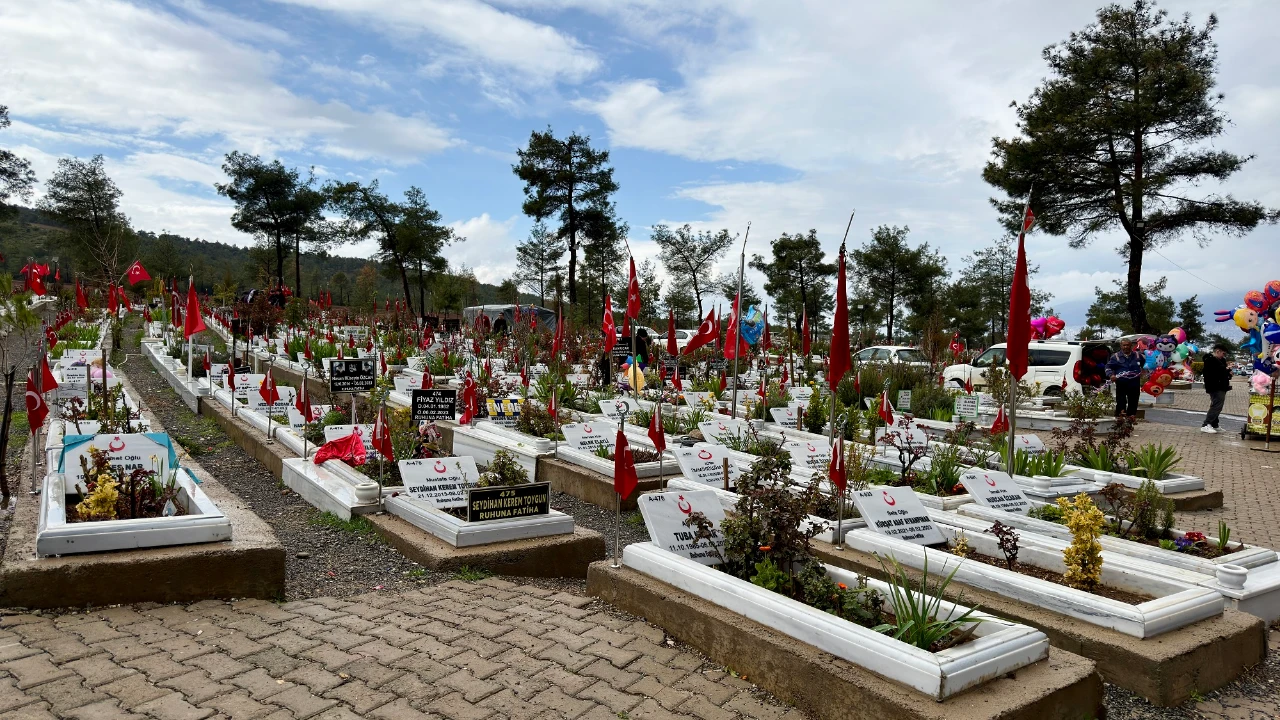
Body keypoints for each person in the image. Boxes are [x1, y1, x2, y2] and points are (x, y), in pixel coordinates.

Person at [1106, 338, 1144, 417]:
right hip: (1121, 383)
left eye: (1127, 345)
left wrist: (1144, 372)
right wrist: (1111, 375)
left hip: (1134, 383)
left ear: (1131, 345)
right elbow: (1108, 367)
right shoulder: (1115, 357)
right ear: (1121, 346)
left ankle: (1130, 420)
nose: (1126, 347)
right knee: (1121, 402)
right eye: (1124, 345)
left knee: (1133, 403)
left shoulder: (1137, 355)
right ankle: (1120, 420)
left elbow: (1145, 365)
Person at [1200, 344, 1232, 433]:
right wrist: (1225, 370)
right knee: (1216, 406)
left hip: (1222, 386)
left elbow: (1223, 372)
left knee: (1217, 405)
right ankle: (1206, 424)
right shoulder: (1210, 360)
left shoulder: (1221, 360)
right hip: (1215, 386)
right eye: (1223, 353)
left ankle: (1214, 424)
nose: (1224, 356)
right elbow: (1214, 373)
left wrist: (1228, 373)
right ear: (1217, 351)